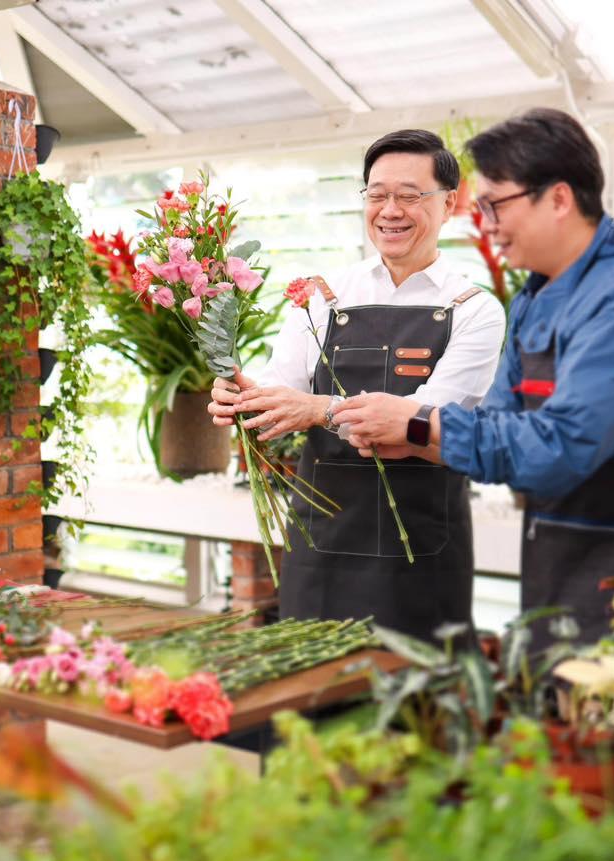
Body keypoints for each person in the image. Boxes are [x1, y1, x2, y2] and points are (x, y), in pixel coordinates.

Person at [333, 108, 614, 644]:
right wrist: (413, 431)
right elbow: (498, 423)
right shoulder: (539, 297)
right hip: (561, 564)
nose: (485, 225)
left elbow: (557, 450)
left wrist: (418, 425)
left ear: (558, 199)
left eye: (496, 205)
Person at [208, 129, 507, 639]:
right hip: (323, 544)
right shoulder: (323, 296)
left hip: (422, 550)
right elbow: (280, 398)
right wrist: (243, 397)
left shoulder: (474, 307)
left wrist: (317, 409)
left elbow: (416, 423)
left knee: (415, 708)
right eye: (376, 194)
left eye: (409, 196)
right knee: (314, 703)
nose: (390, 210)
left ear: (449, 204)